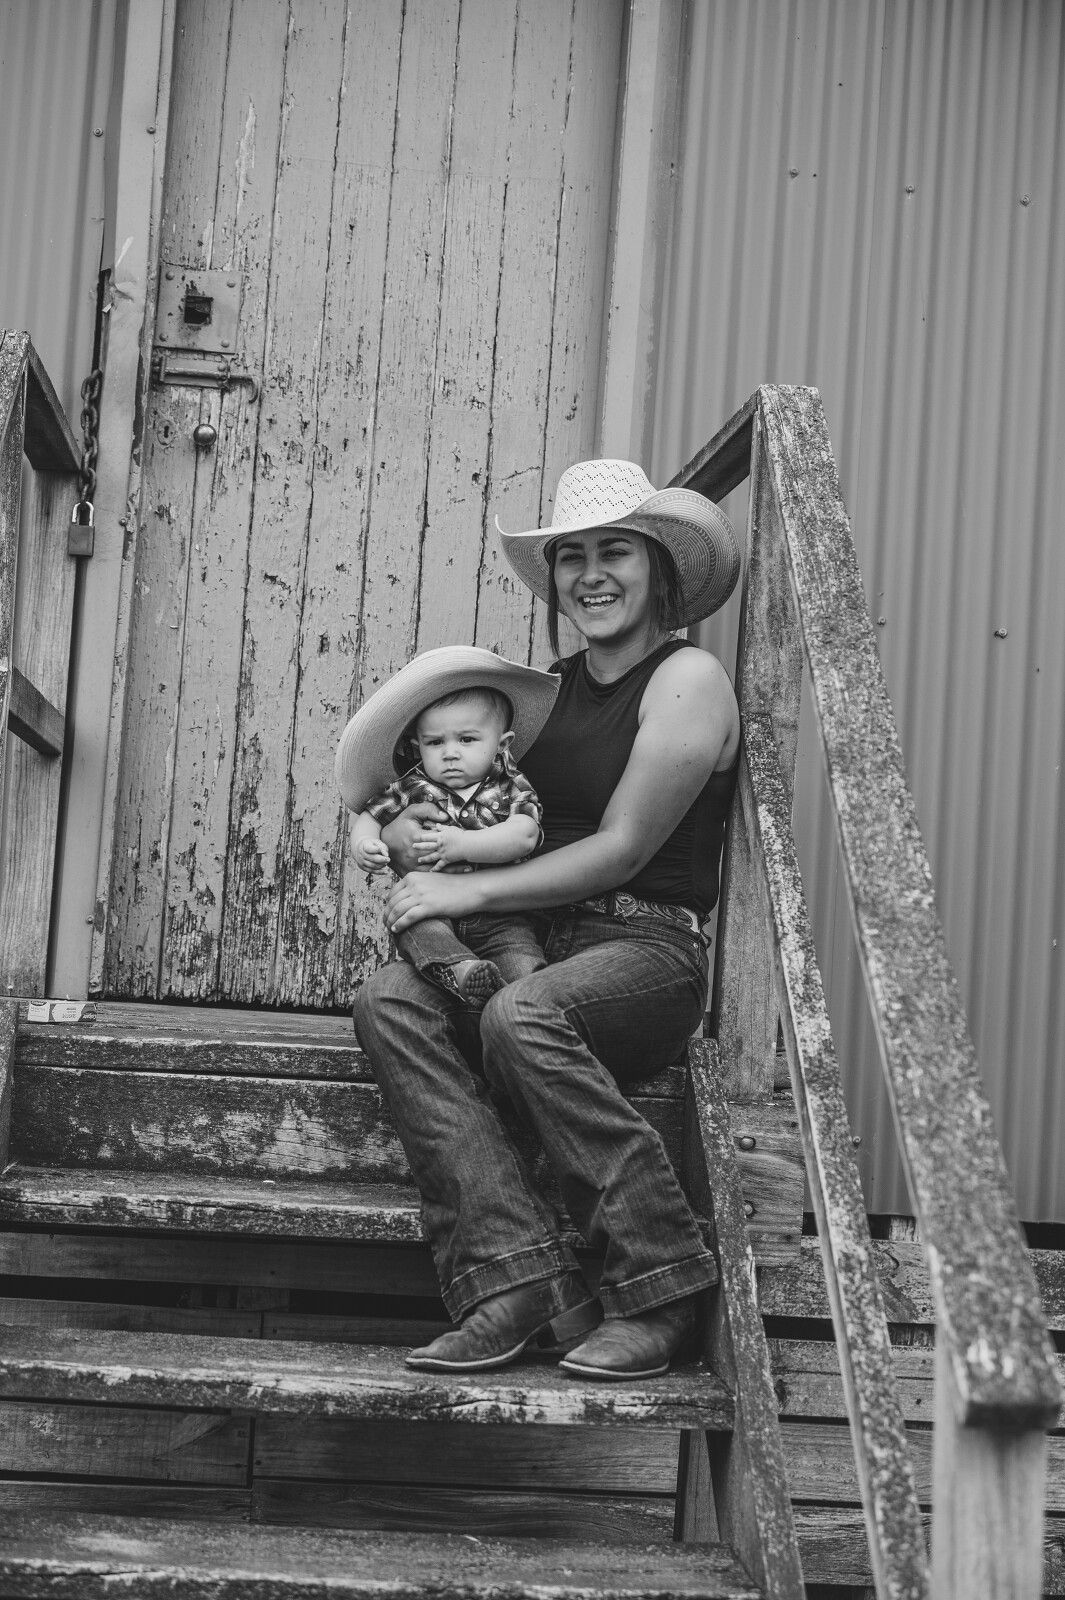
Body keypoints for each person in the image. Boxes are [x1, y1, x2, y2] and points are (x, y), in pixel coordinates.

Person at [353, 458, 741, 1380]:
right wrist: (395, 832)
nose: (590, 574)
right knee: (388, 1000)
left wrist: (465, 894)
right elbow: (453, 791)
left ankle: (659, 1283)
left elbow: (623, 848)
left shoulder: (686, 678)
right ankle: (516, 1277)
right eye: (572, 557)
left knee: (522, 1014)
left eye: (615, 552)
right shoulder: (542, 694)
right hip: (527, 938)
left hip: (641, 945)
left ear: (659, 569)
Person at [335, 648, 559, 1007]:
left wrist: (462, 844)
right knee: (410, 922)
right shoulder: (414, 785)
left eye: (466, 739)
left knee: (522, 965)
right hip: (431, 908)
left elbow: (525, 835)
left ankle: (524, 1005)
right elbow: (372, 815)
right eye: (435, 742)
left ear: (502, 745)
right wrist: (364, 844)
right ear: (417, 747)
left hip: (501, 913)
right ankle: (460, 969)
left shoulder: (510, 785)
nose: (450, 753)